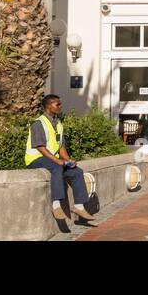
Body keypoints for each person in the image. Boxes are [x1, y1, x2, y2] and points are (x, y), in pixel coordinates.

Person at [25, 94, 91, 224]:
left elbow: (61, 147)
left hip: (51, 160)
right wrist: (58, 161)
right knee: (57, 166)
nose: (60, 106)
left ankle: (79, 207)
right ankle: (56, 205)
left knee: (77, 171)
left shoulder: (58, 124)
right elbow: (40, 147)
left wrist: (68, 160)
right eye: (57, 104)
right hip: (36, 159)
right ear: (48, 106)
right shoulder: (38, 123)